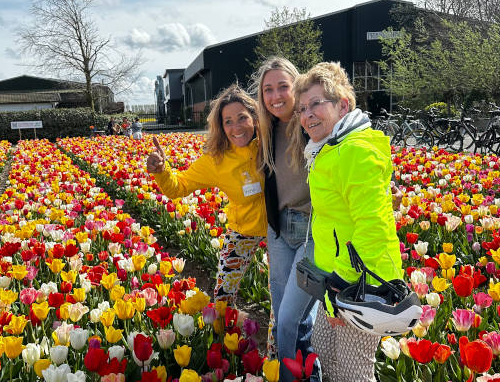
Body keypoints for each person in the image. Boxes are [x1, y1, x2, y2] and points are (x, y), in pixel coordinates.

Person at [289, 62, 404, 381]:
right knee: (324, 352)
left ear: (343, 105)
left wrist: (343, 281)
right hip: (335, 277)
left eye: (316, 104)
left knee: (353, 370)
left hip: (357, 281)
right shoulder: (327, 150)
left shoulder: (354, 151)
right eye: (302, 108)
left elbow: (373, 226)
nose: (307, 114)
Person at [147, 84, 267, 308]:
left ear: (255, 117)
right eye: (228, 121)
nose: (236, 127)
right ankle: (226, 337)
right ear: (221, 127)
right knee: (223, 293)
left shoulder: (270, 144)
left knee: (280, 295)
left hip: (279, 230)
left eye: (242, 118)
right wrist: (162, 171)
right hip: (243, 229)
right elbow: (177, 188)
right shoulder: (216, 160)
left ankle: (278, 342)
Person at [253, 57, 318, 382]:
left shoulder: (312, 122)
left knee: (290, 321)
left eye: (283, 86)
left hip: (313, 233)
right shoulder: (264, 130)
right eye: (268, 89)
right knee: (288, 318)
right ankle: (310, 374)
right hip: (279, 230)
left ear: (297, 85)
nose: (276, 95)